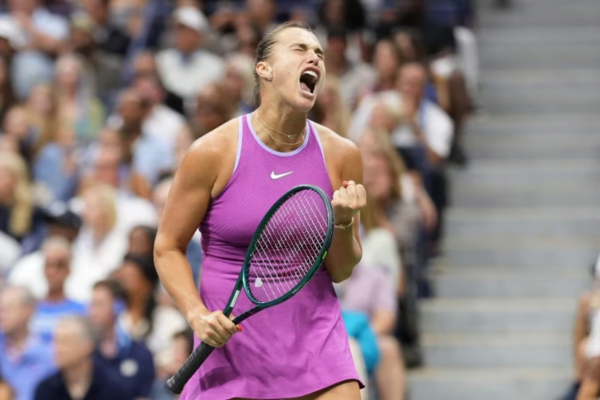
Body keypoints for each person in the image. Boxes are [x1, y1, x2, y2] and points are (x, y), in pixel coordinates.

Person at [154, 20, 366, 399]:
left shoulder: (341, 155)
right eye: (299, 49)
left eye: (319, 53)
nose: (314, 58)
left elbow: (343, 269)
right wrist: (196, 314)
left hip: (316, 343)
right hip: (232, 347)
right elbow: (167, 246)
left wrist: (344, 223)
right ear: (263, 69)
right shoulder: (212, 152)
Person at [33, 316, 130, 400]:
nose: (58, 349)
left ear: (87, 347)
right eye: (56, 342)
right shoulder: (46, 389)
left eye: (66, 342)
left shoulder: (113, 389)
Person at [90, 279, 155, 399]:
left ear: (118, 306)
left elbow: (144, 395)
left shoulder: (140, 353)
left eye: (98, 304)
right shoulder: (85, 352)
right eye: (91, 305)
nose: (92, 312)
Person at [0, 285, 54, 400]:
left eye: (7, 309)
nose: (2, 315)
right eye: (0, 309)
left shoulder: (48, 356)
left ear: (28, 311)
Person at [30, 237, 86, 344]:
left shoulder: (81, 311)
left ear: (69, 270)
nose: (52, 271)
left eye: (59, 265)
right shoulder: (29, 308)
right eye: (48, 265)